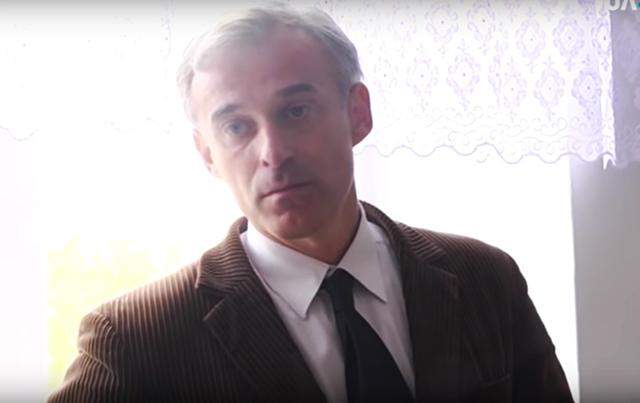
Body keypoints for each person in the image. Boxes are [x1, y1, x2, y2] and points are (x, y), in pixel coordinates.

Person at [49, 4, 573, 403]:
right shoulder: (136, 340)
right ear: (207, 153)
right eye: (237, 127)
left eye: (295, 111)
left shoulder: (486, 279)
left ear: (358, 113)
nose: (273, 153)